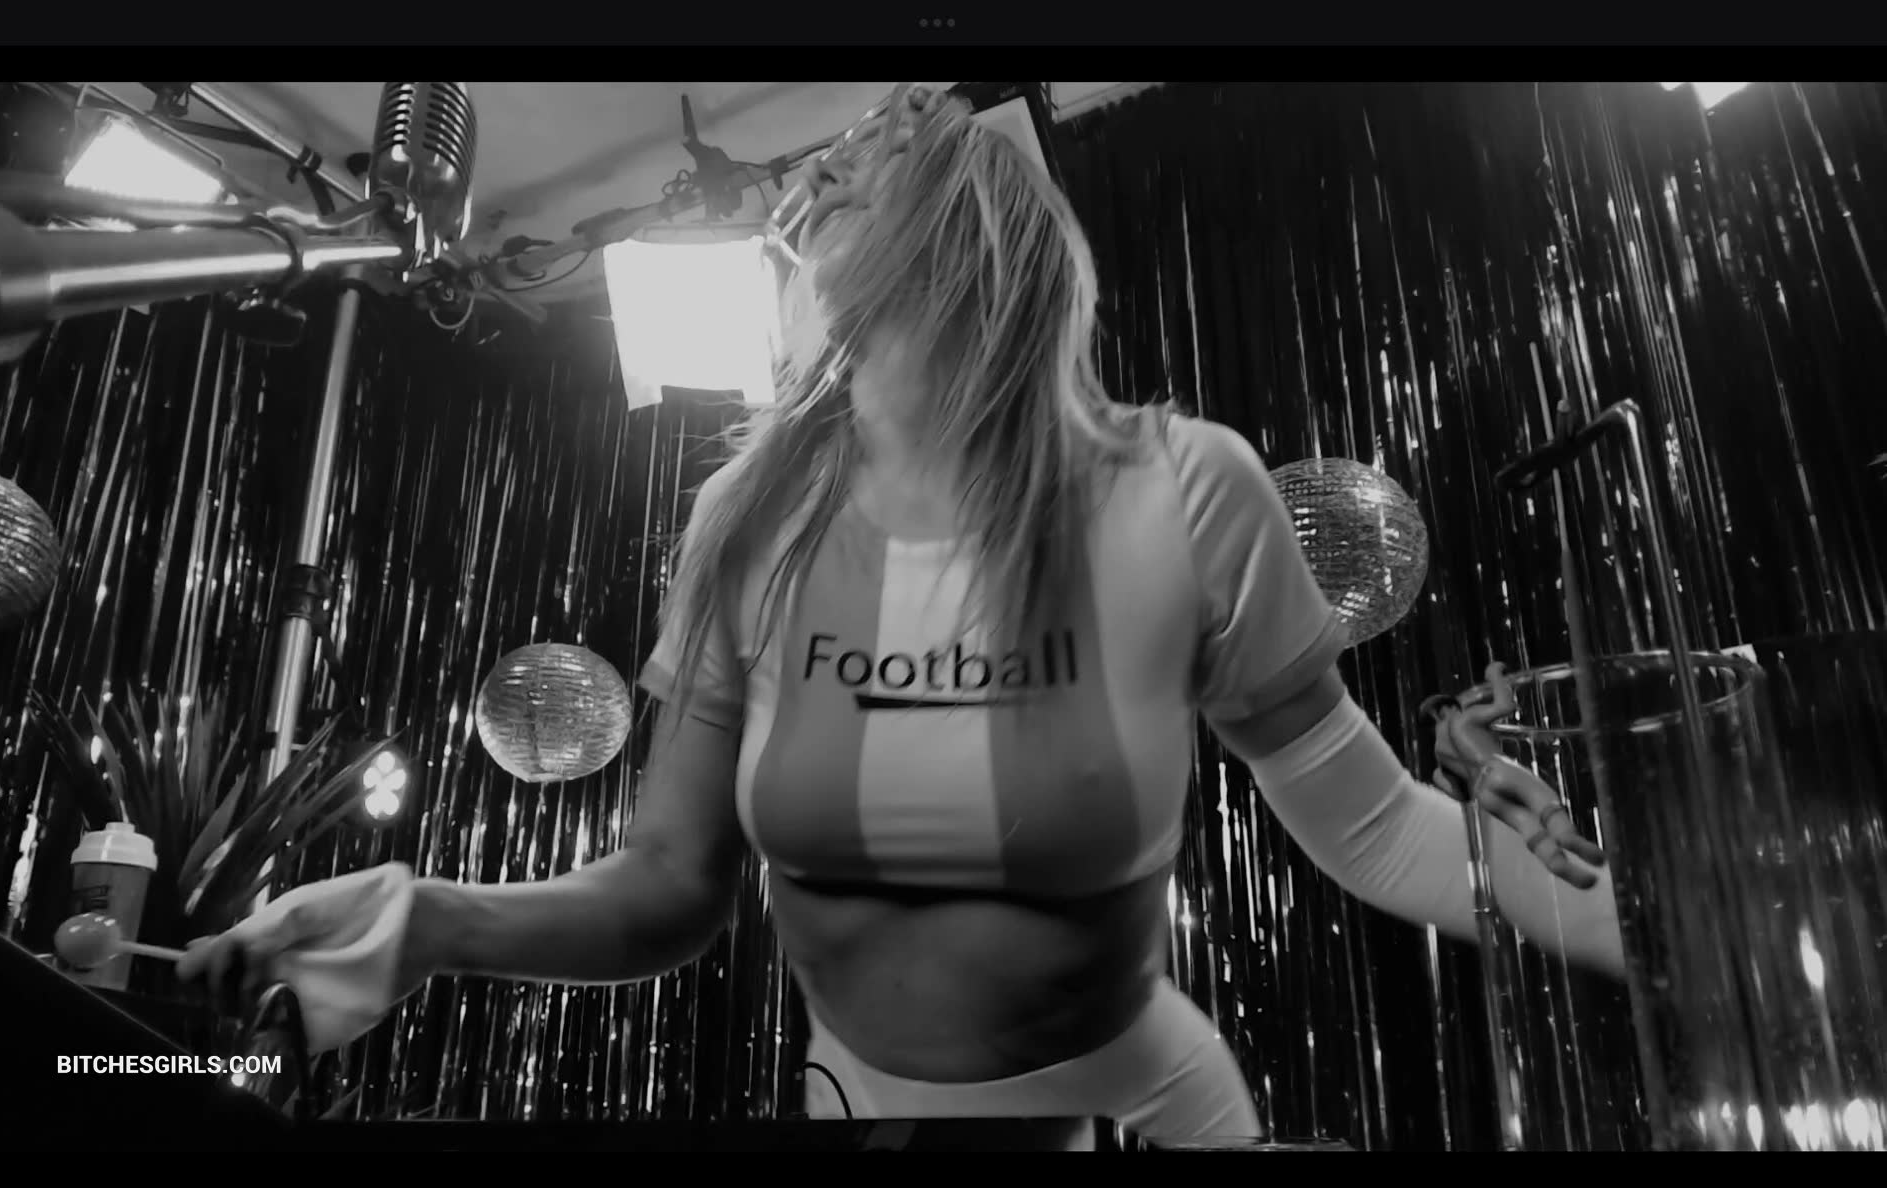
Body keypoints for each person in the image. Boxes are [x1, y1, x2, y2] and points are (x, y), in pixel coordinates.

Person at [179, 83, 1624, 1147]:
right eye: (827, 163)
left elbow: (1375, 832)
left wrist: (1654, 912)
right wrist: (420, 919)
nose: (816, 169)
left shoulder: (1190, 490)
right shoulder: (745, 522)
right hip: (862, 1108)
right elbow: (668, 887)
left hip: (1148, 1102)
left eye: (871, 154)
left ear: (970, 222)